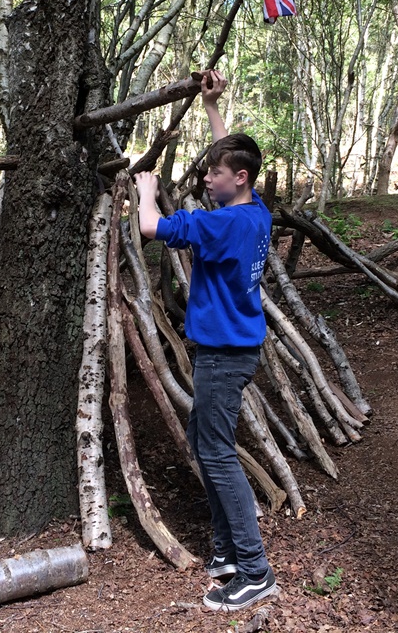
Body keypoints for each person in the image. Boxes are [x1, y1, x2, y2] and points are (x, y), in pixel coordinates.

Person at [134, 69, 276, 612]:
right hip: (229, 350)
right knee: (205, 444)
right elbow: (233, 157)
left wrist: (148, 190)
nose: (206, 177)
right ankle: (226, 550)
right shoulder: (252, 213)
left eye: (214, 172)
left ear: (237, 178)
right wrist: (212, 107)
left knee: (216, 453)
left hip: (224, 355)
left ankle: (255, 570)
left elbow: (152, 229)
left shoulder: (220, 227)